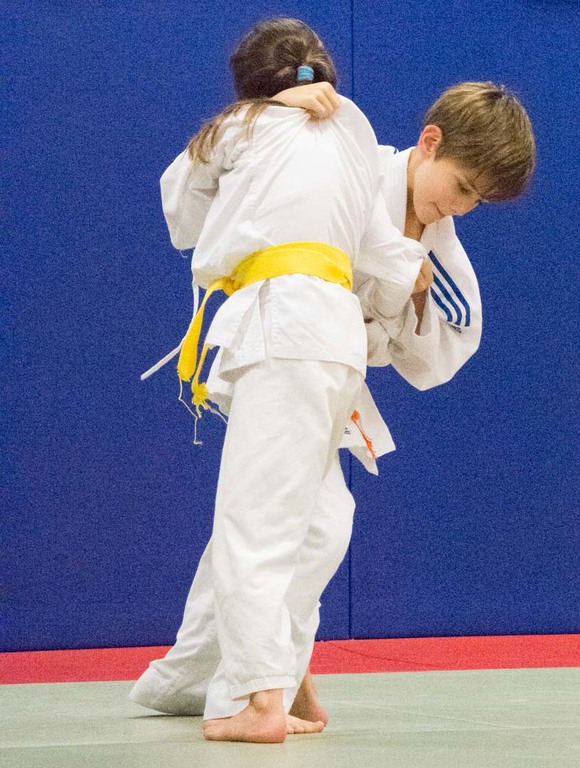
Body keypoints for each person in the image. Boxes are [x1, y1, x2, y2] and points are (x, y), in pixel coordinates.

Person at [131, 78, 535, 730]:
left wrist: (410, 296)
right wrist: (271, 106)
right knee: (273, 520)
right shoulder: (347, 159)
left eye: (478, 201)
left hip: (327, 364)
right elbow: (216, 180)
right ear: (430, 142)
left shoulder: (442, 250)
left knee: (300, 521)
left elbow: (432, 358)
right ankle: (249, 686)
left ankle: (199, 676)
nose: (462, 207)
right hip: (282, 338)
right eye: (462, 187)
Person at [132, 18, 427, 744]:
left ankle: (253, 697)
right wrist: (411, 269)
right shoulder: (354, 131)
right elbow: (379, 246)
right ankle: (285, 674)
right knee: (320, 520)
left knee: (254, 524)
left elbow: (181, 217)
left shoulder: (235, 129)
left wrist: (252, 118)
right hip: (335, 335)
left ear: (248, 88)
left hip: (281, 326)